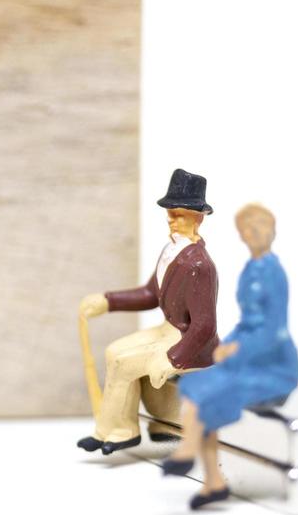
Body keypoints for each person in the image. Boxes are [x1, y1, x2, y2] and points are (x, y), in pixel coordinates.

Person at [163, 203, 298, 509]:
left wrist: (240, 349)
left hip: (273, 366)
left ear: (270, 231)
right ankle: (214, 481)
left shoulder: (274, 273)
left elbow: (274, 329)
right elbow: (246, 321)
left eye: (258, 229)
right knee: (197, 388)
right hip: (246, 356)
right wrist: (231, 343)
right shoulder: (251, 268)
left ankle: (187, 451)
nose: (252, 235)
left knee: (211, 395)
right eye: (247, 231)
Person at [77, 169, 220, 454]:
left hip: (188, 340)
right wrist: (108, 301)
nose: (171, 218)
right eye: (170, 212)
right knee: (114, 351)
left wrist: (173, 358)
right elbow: (150, 294)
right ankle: (119, 427)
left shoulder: (199, 265)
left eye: (179, 213)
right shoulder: (171, 251)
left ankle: (118, 431)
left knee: (123, 361)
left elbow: (204, 325)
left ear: (198, 217)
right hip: (169, 328)